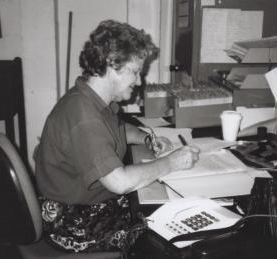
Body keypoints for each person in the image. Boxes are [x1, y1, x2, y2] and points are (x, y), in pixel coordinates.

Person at [35, 20, 200, 254]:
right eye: (134, 72)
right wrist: (171, 163)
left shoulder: (94, 99)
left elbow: (120, 129)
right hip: (72, 221)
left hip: (88, 204)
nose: (138, 81)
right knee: (167, 239)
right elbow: (119, 182)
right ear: (111, 65)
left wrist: (145, 138)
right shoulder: (84, 116)